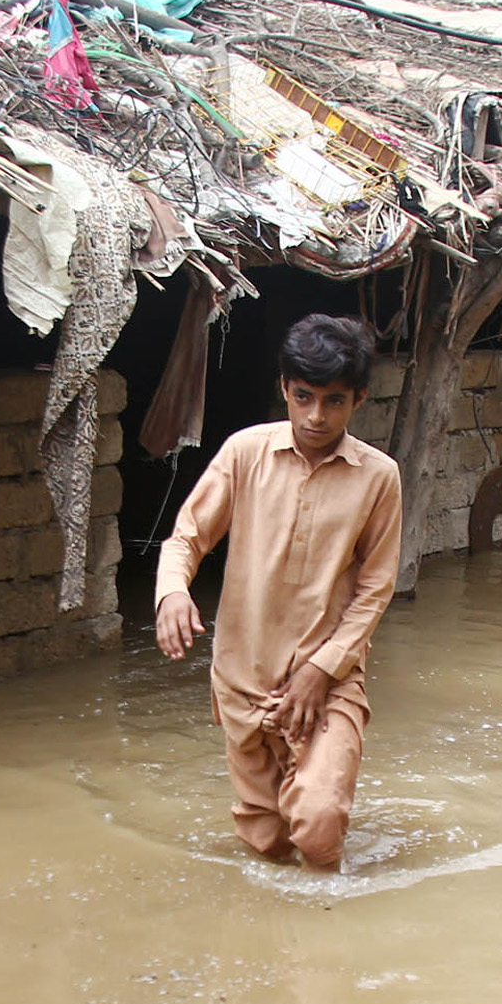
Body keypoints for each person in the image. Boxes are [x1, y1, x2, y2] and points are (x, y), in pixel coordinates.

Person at [154, 315, 403, 873]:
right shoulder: (245, 453)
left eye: (334, 401)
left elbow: (375, 588)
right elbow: (187, 539)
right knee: (265, 838)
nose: (316, 416)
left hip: (328, 678)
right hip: (244, 676)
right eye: (304, 397)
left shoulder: (379, 477)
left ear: (359, 398)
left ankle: (328, 934)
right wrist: (173, 593)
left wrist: (324, 668)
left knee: (318, 825)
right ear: (284, 390)